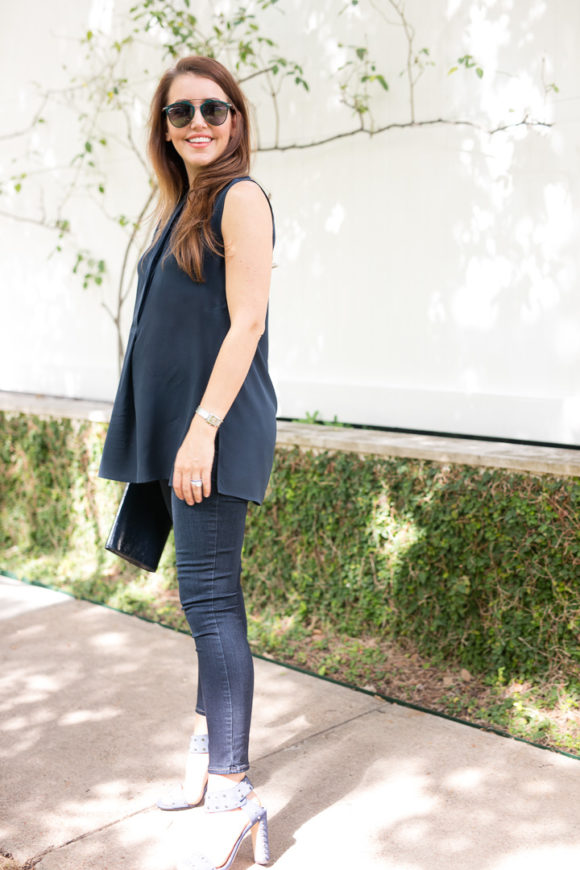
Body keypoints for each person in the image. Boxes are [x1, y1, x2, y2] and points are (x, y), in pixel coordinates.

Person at [99, 55, 276, 870]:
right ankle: (213, 773)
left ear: (235, 119)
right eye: (181, 113)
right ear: (164, 130)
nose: (198, 121)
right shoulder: (184, 205)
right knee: (203, 602)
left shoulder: (240, 199)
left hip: (212, 428)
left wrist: (201, 429)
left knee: (211, 604)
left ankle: (236, 795)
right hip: (182, 432)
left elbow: (245, 326)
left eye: (213, 108)